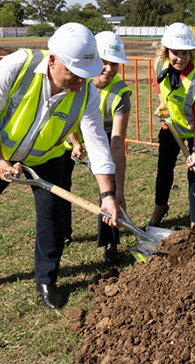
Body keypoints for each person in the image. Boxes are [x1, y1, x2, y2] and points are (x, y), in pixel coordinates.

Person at [0, 23, 121, 310]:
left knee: (52, 217)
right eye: (73, 72)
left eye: (85, 73)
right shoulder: (17, 66)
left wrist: (107, 196)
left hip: (44, 158)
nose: (80, 80)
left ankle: (46, 280)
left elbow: (98, 143)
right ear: (52, 60)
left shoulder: (86, 92)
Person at [60, 31, 131, 265]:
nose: (109, 69)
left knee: (107, 192)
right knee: (61, 186)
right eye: (104, 61)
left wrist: (117, 186)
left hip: (104, 139)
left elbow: (118, 140)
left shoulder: (120, 94)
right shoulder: (78, 77)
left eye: (114, 64)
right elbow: (63, 114)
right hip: (67, 137)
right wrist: (75, 143)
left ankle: (110, 243)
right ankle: (63, 232)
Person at [150, 23, 195, 231]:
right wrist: (163, 103)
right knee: (164, 168)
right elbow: (156, 82)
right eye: (175, 53)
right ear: (166, 51)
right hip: (173, 126)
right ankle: (160, 208)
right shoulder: (159, 64)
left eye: (185, 53)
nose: (180, 58)